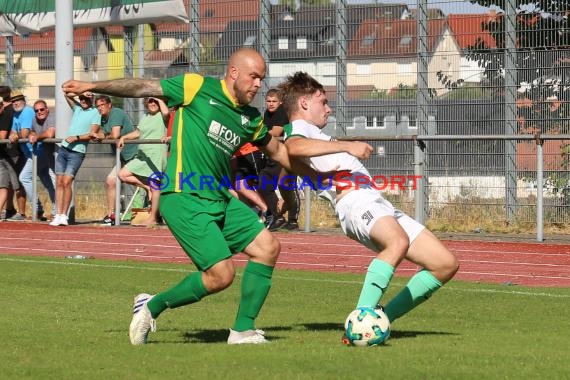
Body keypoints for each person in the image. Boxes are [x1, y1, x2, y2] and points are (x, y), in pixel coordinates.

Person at [62, 48, 316, 346]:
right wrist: (91, 86)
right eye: (254, 77)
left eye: (261, 78)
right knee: (221, 275)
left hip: (219, 198)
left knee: (268, 247)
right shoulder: (197, 87)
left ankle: (242, 331)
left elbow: (279, 151)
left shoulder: (249, 118)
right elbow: (142, 86)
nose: (258, 84)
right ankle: (152, 306)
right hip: (183, 196)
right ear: (234, 72)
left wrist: (327, 171)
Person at [280, 72, 459, 339]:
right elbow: (292, 147)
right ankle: (362, 317)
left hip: (375, 202)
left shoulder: (317, 136)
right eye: (323, 101)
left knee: (444, 264)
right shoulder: (300, 129)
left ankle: (381, 318)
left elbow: (292, 158)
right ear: (305, 103)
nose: (328, 109)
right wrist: (348, 146)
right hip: (355, 202)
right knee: (396, 242)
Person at [50, 92, 101, 226]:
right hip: (64, 149)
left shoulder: (96, 113)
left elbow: (92, 133)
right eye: (82, 98)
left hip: (77, 152)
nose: (83, 100)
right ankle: (58, 214)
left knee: (67, 181)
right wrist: (81, 92)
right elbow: (66, 94)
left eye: (86, 98)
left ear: (92, 98)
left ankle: (64, 215)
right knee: (59, 181)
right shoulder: (77, 108)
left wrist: (77, 137)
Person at [117, 97, 169, 226]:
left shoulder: (162, 115)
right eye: (150, 101)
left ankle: (153, 218)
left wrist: (158, 98)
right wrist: (124, 137)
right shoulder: (145, 116)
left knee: (155, 185)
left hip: (156, 154)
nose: (152, 103)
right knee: (122, 174)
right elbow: (138, 132)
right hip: (143, 154)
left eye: (155, 101)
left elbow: (167, 113)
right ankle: (147, 187)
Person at [91, 95, 138, 225]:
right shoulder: (103, 118)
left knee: (136, 180)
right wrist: (96, 135)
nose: (100, 108)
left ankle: (151, 189)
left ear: (109, 105)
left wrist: (103, 138)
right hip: (121, 157)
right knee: (111, 181)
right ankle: (111, 215)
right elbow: (104, 133)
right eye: (98, 106)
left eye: (102, 105)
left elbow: (115, 134)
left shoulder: (116, 113)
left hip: (134, 155)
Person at [260, 89, 300, 231]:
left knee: (287, 185)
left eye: (274, 101)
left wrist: (257, 133)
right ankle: (278, 216)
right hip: (271, 154)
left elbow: (276, 132)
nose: (271, 104)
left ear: (280, 102)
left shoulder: (281, 112)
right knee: (263, 184)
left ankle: (293, 220)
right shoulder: (267, 113)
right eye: (268, 101)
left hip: (284, 154)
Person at [8, 90, 46, 220]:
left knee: (24, 177)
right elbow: (13, 132)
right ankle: (49, 210)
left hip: (37, 152)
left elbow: (23, 134)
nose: (15, 103)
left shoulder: (27, 111)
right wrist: (14, 134)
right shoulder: (16, 114)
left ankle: (38, 208)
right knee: (47, 181)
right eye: (13, 101)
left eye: (18, 100)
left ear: (23, 100)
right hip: (30, 154)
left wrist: (15, 135)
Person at [28, 99, 57, 219]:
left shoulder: (52, 117)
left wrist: (36, 137)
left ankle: (57, 212)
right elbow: (32, 131)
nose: (39, 112)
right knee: (48, 181)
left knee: (57, 182)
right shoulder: (35, 119)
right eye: (36, 110)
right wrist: (31, 134)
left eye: (41, 109)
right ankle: (52, 210)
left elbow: (50, 134)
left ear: (47, 109)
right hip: (47, 153)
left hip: (59, 153)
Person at [0, 95, 22, 221]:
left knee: (17, 185)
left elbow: (2, 136)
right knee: (3, 185)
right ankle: (9, 210)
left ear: (2, 106)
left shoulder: (6, 116)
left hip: (12, 155)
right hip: (3, 155)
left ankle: (23, 212)